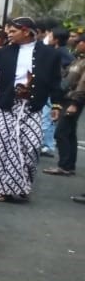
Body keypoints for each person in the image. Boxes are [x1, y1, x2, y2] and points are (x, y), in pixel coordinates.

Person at [0, 17, 64, 202]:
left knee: (31, 146)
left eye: (13, 31)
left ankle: (22, 185)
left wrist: (56, 104)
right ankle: (1, 189)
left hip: (32, 107)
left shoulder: (50, 55)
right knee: (4, 147)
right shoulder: (3, 54)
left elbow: (55, 81)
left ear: (26, 31)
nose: (8, 34)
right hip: (7, 105)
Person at [44, 35, 85, 177]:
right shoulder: (79, 59)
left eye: (80, 42)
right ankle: (68, 165)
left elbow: (82, 85)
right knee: (69, 133)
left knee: (61, 132)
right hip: (68, 99)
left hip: (73, 100)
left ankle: (64, 166)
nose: (77, 44)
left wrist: (75, 103)